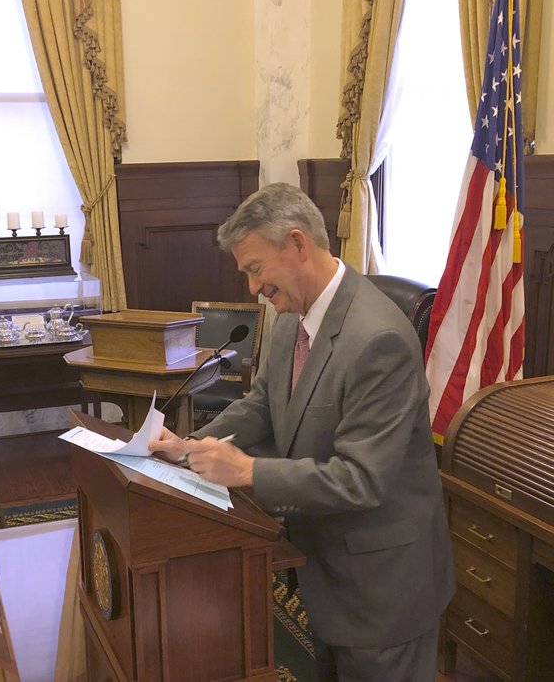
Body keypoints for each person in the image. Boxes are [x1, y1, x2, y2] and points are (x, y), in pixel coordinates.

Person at [149, 182, 455, 682]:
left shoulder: (378, 339)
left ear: (297, 244)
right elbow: (264, 405)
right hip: (325, 570)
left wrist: (247, 470)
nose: (252, 289)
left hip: (383, 587)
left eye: (255, 269)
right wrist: (189, 448)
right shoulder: (294, 317)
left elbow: (361, 479)